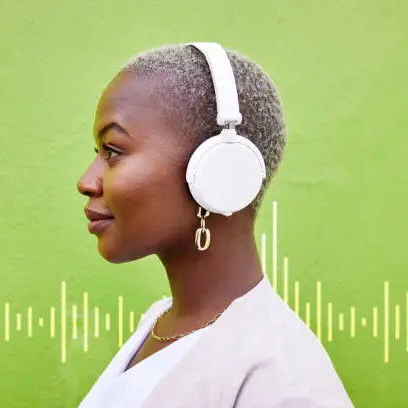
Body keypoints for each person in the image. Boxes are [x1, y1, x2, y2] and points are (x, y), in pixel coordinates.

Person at [76, 42, 353, 408]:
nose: (86, 181)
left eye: (113, 151)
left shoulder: (281, 381)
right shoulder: (160, 322)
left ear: (217, 170)